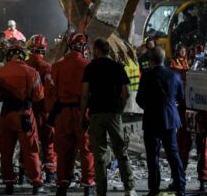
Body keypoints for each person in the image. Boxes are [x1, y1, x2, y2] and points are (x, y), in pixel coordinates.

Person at [80, 38, 137, 196]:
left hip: (96, 114)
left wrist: (82, 115)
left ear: (97, 50)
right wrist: (120, 108)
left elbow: (84, 94)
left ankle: (101, 191)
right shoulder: (117, 67)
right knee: (121, 151)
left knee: (99, 154)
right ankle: (129, 188)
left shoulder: (90, 68)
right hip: (113, 114)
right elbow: (127, 92)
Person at [0, 45, 48, 195]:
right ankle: (37, 184)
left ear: (9, 57)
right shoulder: (32, 72)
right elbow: (38, 97)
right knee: (31, 150)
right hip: (25, 114)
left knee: (6, 151)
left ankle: (9, 183)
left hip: (6, 115)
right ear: (23, 57)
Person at [45, 33, 95, 196]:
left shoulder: (57, 66)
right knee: (86, 149)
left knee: (63, 150)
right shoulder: (88, 66)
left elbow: (50, 91)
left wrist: (51, 112)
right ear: (81, 47)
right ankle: (88, 185)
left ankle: (62, 185)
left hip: (62, 113)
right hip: (82, 112)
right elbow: (92, 93)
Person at [136, 46, 186, 196]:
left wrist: (149, 108)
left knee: (153, 156)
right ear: (164, 59)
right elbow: (181, 97)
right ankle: (180, 187)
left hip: (151, 120)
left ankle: (154, 189)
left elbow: (139, 99)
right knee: (173, 154)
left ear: (151, 60)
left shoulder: (146, 76)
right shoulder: (175, 75)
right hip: (170, 120)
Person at [170, 45, 207, 192]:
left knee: (188, 147)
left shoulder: (182, 70)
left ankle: (184, 179)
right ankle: (201, 181)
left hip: (188, 112)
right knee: (197, 147)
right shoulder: (181, 67)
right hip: (198, 113)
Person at [25, 35, 57, 183]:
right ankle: (50, 174)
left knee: (29, 142)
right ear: (44, 49)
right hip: (44, 109)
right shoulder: (47, 67)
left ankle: (25, 174)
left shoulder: (24, 65)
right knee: (48, 142)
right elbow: (51, 90)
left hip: (27, 109)